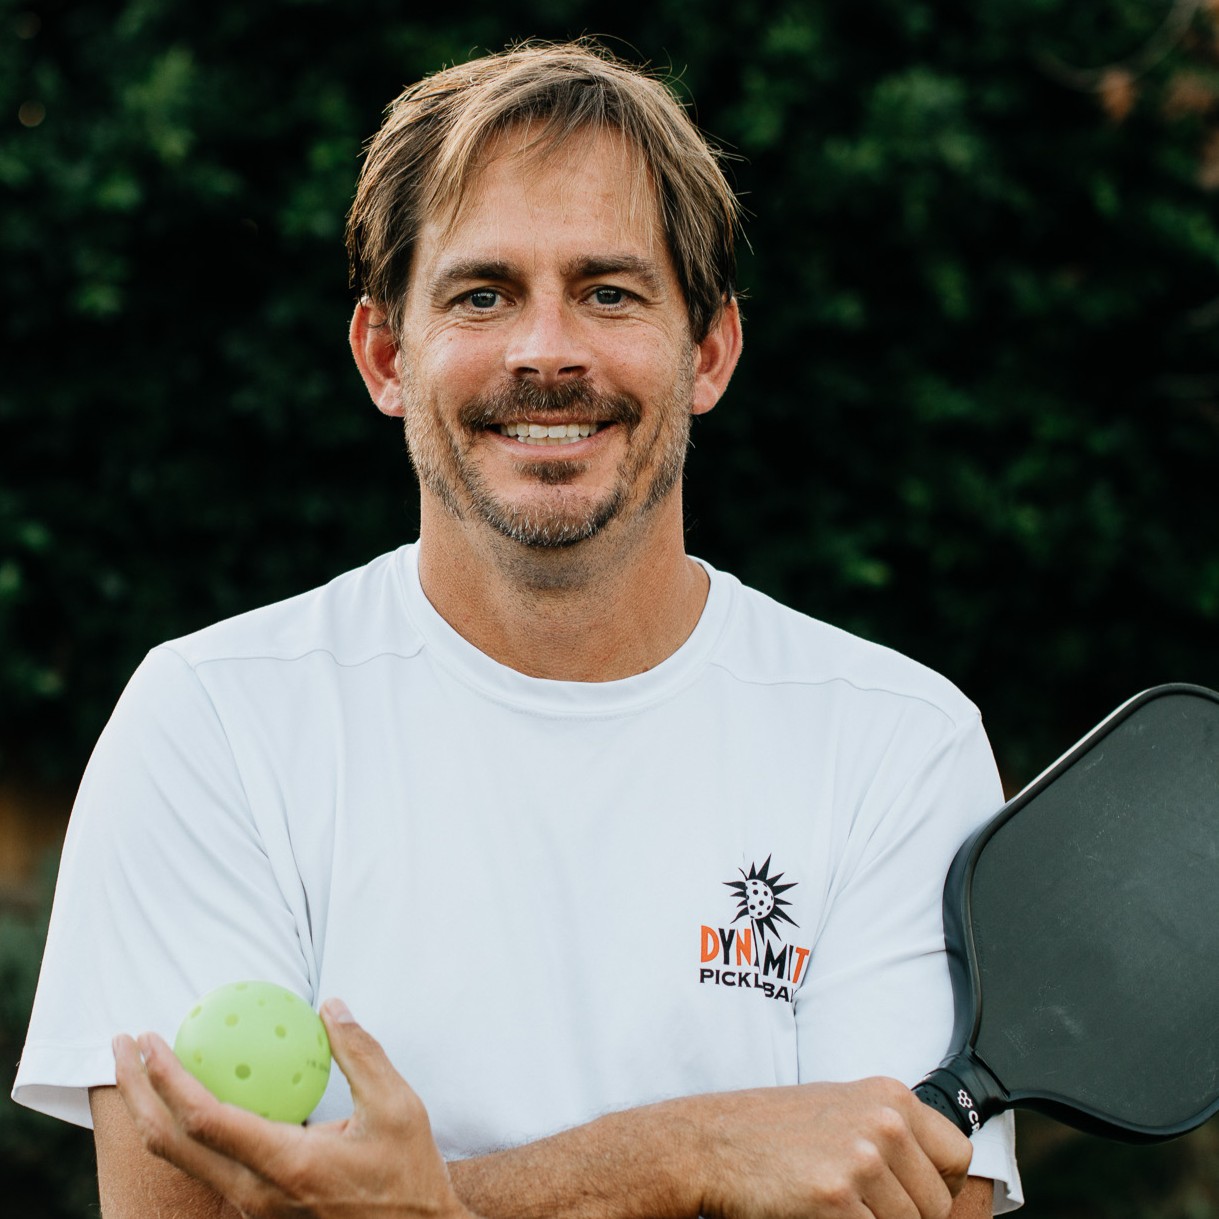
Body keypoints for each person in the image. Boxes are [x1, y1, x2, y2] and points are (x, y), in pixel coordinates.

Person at [15, 39, 1022, 1217]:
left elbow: (923, 1202)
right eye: (482, 295)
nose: (547, 351)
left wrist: (428, 1204)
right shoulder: (211, 721)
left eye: (608, 292)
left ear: (708, 351)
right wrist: (693, 1152)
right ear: (386, 356)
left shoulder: (898, 743)